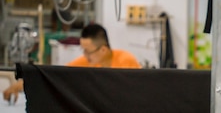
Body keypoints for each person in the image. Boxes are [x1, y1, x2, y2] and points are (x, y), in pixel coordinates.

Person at [3, 23, 141, 103]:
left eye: (87, 51)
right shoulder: (88, 62)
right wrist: (20, 85)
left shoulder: (126, 61)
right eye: (83, 50)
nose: (85, 55)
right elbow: (54, 75)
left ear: (103, 49)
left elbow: (138, 95)